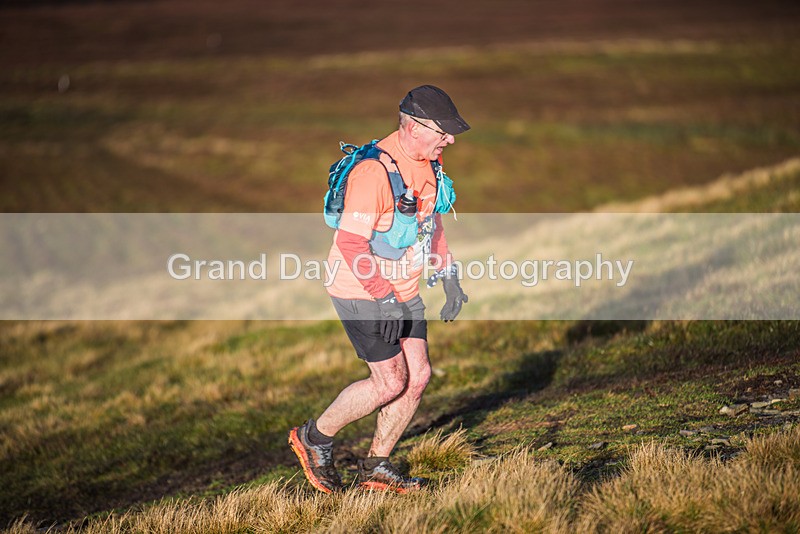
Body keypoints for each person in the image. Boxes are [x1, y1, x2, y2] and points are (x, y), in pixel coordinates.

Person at [288, 85, 470, 493]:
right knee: (389, 381)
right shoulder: (373, 173)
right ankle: (314, 437)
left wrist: (450, 275)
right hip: (362, 291)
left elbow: (431, 224)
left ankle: (376, 467)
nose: (450, 140)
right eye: (443, 132)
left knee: (418, 376)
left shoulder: (430, 164)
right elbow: (352, 243)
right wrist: (383, 298)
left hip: (402, 290)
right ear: (414, 127)